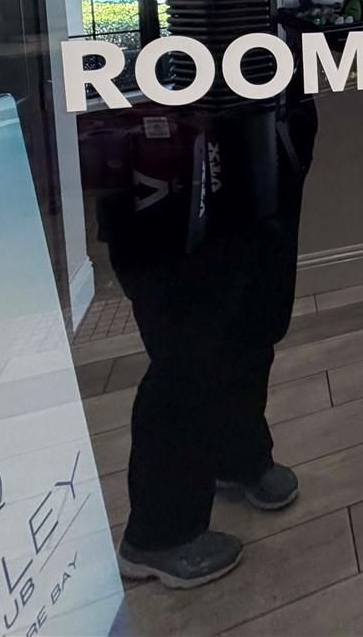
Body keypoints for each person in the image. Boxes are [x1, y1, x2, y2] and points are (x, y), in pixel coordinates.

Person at [102, 94, 317, 588]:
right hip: (168, 146)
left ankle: (236, 456)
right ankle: (161, 533)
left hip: (263, 129)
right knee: (188, 345)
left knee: (255, 318)